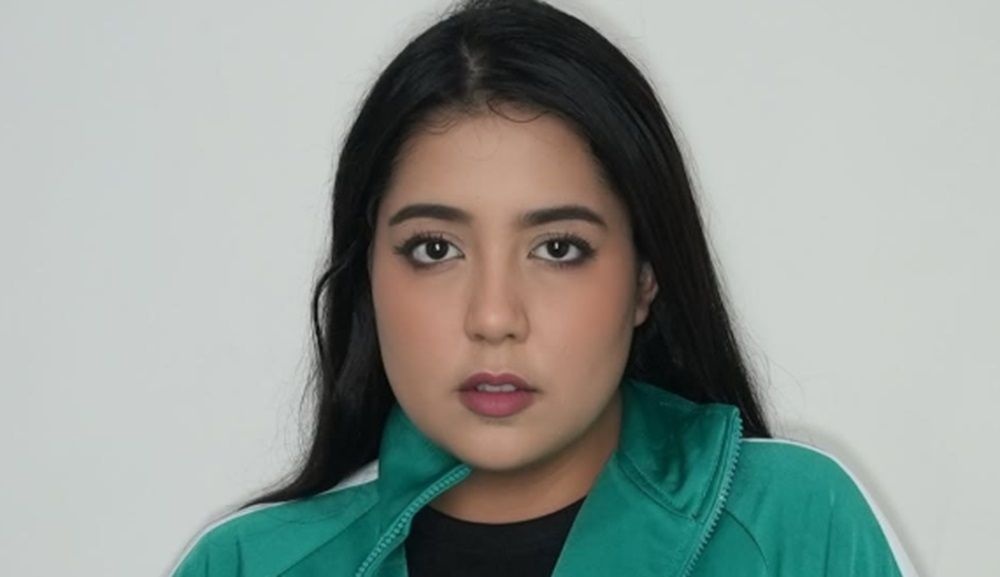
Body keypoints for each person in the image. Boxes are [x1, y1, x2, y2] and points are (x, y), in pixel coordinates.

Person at [169, 0, 918, 575]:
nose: (495, 316)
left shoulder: (796, 525)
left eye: (559, 248)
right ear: (368, 273)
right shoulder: (246, 564)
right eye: (435, 248)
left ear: (646, 276)